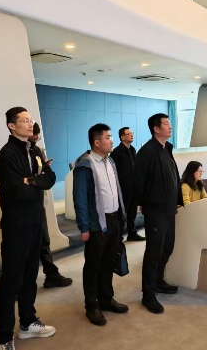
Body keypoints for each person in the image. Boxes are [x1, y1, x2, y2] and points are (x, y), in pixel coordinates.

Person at [0, 107, 56, 350]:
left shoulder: (35, 150)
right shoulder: (7, 153)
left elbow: (50, 179)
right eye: (24, 120)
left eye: (31, 120)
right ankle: (4, 337)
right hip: (16, 225)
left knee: (31, 276)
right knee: (11, 280)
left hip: (35, 222)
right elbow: (15, 190)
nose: (30, 124)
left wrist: (30, 180)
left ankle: (27, 322)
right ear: (12, 125)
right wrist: (34, 182)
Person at [73, 123, 128, 326]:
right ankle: (92, 306)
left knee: (108, 263)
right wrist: (84, 227)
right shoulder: (85, 165)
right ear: (97, 142)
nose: (112, 140)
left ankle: (106, 299)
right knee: (93, 266)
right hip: (97, 224)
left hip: (113, 220)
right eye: (108, 137)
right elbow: (80, 199)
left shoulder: (110, 161)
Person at [134, 113, 183, 314]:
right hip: (155, 211)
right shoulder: (147, 151)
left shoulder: (166, 148)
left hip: (169, 210)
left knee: (167, 248)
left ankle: (158, 281)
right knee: (153, 252)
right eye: (166, 124)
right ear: (156, 129)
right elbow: (138, 182)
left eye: (169, 123)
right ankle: (148, 294)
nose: (170, 127)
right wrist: (145, 204)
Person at [29, 122, 72, 288]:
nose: (35, 139)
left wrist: (41, 172)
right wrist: (36, 179)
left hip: (38, 202)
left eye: (37, 136)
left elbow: (48, 178)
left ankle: (52, 275)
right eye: (33, 136)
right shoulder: (12, 153)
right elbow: (20, 182)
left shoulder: (37, 151)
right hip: (23, 208)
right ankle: (20, 286)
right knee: (25, 247)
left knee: (44, 241)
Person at [110, 127, 145, 241]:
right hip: (123, 188)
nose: (131, 135)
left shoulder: (133, 150)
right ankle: (118, 236)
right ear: (122, 137)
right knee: (121, 213)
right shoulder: (116, 152)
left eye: (132, 133)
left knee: (132, 212)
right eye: (128, 133)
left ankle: (132, 233)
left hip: (133, 187)